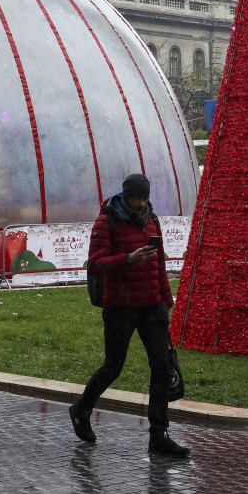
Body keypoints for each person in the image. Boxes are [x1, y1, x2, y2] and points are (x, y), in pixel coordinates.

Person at [68, 173, 189, 457]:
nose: (142, 203)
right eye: (137, 198)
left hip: (151, 307)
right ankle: (81, 409)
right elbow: (95, 264)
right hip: (120, 307)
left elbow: (159, 263)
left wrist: (165, 300)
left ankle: (159, 435)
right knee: (113, 366)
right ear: (126, 196)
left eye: (146, 198)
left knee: (161, 369)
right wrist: (128, 260)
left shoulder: (152, 219)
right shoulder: (106, 221)